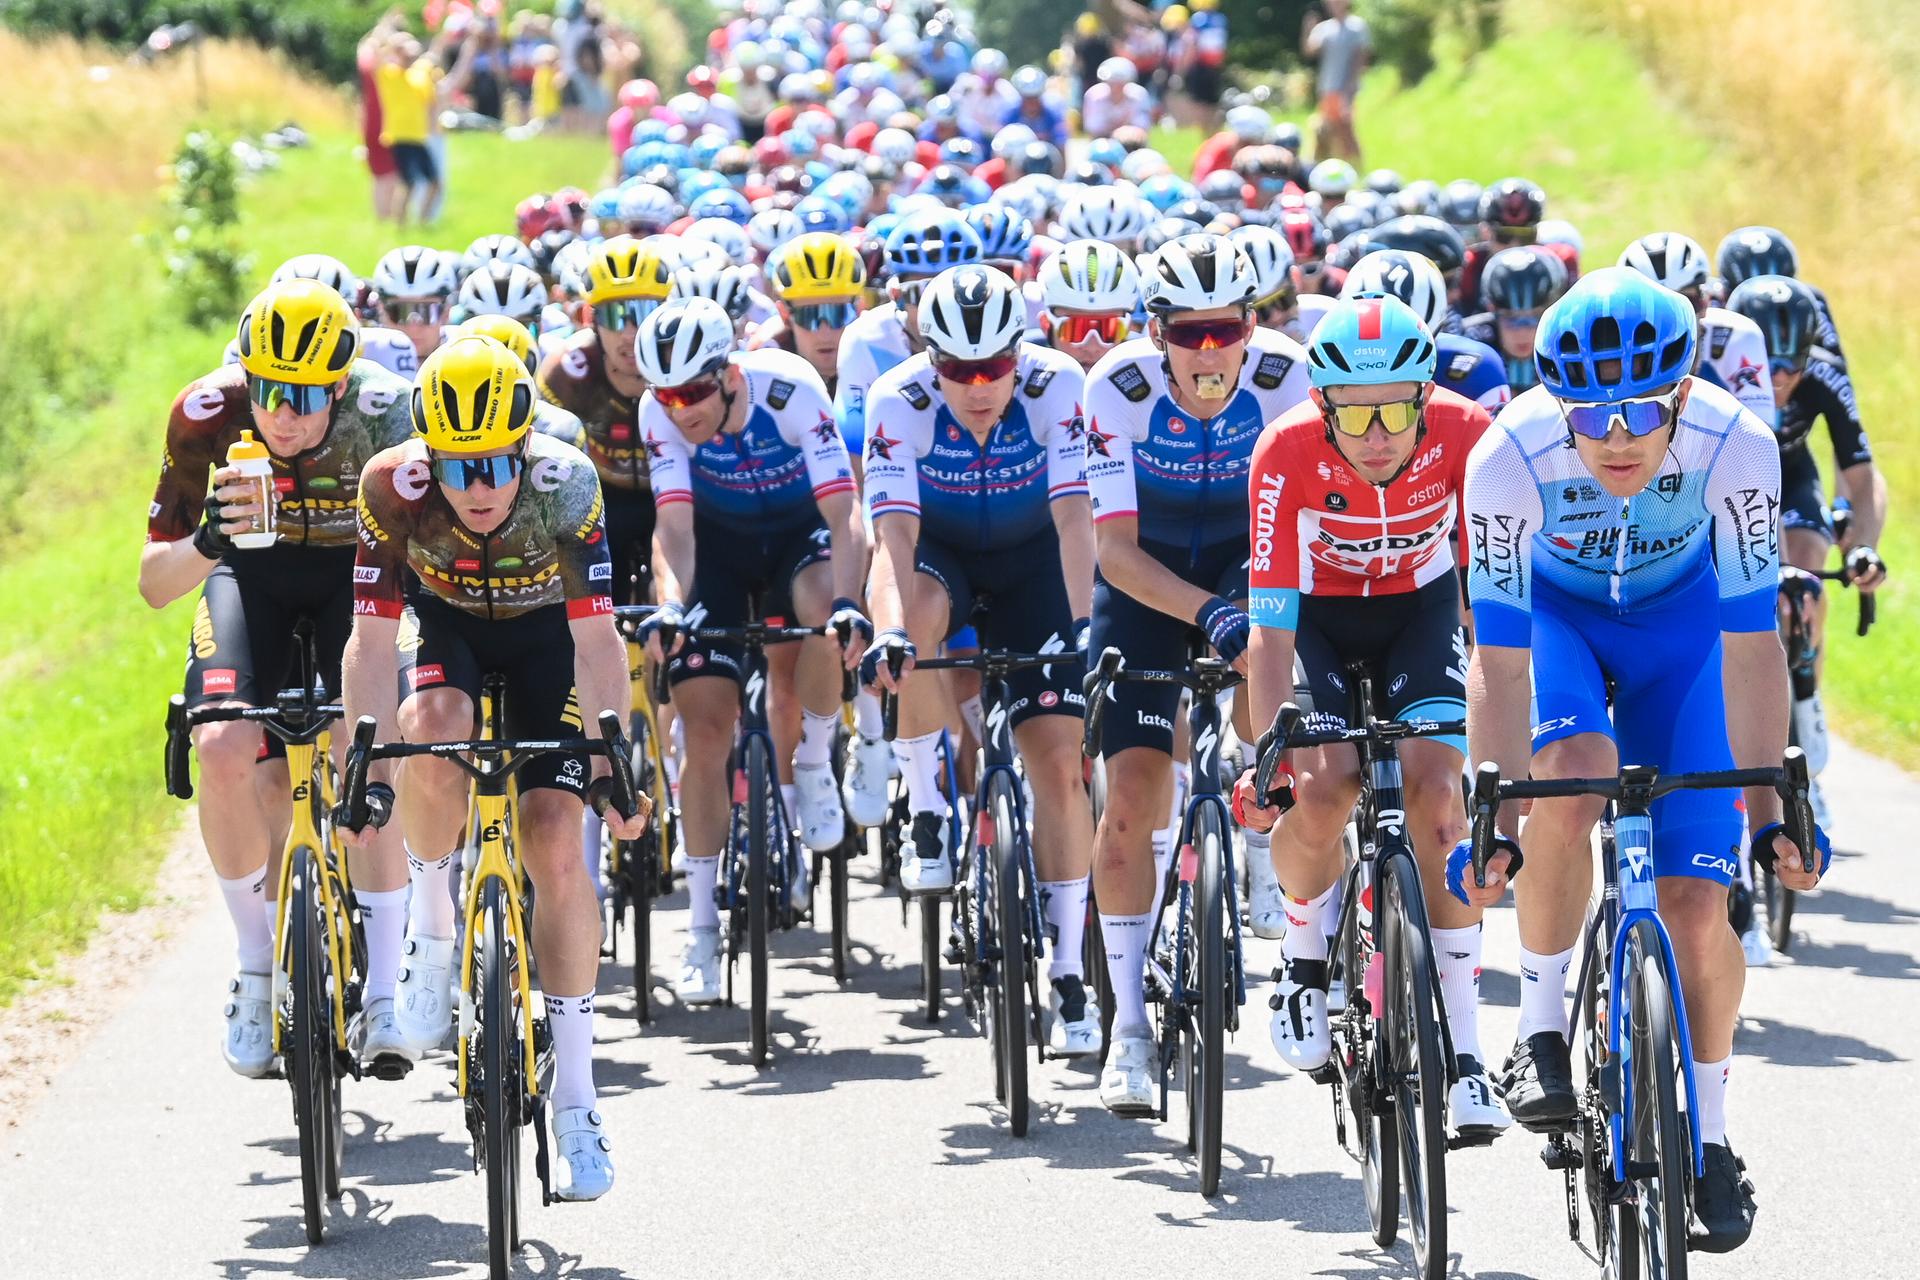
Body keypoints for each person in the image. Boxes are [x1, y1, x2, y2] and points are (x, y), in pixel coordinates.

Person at [1454, 268, 1828, 1252]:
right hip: (1559, 623)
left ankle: (1707, 1135)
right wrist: (1494, 812)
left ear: (1679, 394)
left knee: (1699, 904)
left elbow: (1753, 644)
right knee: (1568, 779)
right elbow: (1496, 655)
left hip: (1688, 634)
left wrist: (1771, 808)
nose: (1615, 437)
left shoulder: (1737, 444)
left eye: (1638, 412)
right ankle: (1538, 1033)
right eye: (1592, 414)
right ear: (1558, 402)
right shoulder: (1507, 453)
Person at [341, 335, 644, 1202]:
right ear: (426, 455)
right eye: (457, 467)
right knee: (428, 730)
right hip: (449, 632)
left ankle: (580, 1099)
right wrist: (367, 756)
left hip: (550, 641)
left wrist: (613, 753)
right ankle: (434, 936)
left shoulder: (567, 482)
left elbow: (595, 640)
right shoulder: (388, 486)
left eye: (495, 465)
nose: (479, 487)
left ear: (524, 448)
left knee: (554, 838)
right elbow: (368, 641)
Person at [1231, 294, 1508, 1141]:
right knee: (1322, 789)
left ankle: (1464, 1050)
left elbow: (1490, 601)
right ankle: (1305, 956)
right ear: (1323, 405)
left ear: (1427, 398)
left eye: (1396, 408)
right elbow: (1271, 630)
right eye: (1355, 412)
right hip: (1316, 618)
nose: (1378, 432)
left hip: (1416, 615)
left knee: (1439, 803)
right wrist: (1268, 754)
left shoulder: (1467, 436)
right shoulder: (1283, 451)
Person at [138, 281, 415, 1078]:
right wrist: (207, 539)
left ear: (339, 387)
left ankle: (386, 993)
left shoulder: (388, 416)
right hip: (246, 583)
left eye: (303, 397)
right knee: (222, 742)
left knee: (370, 750)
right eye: (267, 391)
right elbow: (156, 584)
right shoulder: (207, 415)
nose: (282, 414)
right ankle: (256, 969)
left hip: (353, 587)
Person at [1079, 234, 1311, 1113]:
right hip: (1147, 585)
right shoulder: (1119, 389)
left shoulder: (1289, 378)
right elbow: (1114, 551)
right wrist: (1206, 613)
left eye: (1227, 330)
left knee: (1273, 687)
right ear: (1156, 329)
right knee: (1132, 803)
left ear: (1252, 325)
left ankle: (1256, 841)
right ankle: (1130, 1028)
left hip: (1253, 568)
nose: (1210, 352)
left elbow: (1298, 525)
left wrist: (1250, 613)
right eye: (1190, 333)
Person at [859, 264, 1100, 1058]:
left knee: (1062, 766)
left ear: (1019, 355)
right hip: (943, 559)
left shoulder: (1059, 385)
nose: (977, 385)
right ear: (930, 361)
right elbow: (894, 542)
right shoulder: (898, 399)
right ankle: (928, 806)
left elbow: (1073, 518)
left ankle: (1069, 973)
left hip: (1035, 562)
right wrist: (890, 633)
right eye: (957, 370)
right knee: (915, 623)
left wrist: (1080, 629)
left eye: (994, 367)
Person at [632, 298, 869, 1002]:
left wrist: (853, 602)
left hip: (802, 535)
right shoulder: (660, 414)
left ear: (729, 375)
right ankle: (701, 926)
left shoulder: (792, 388)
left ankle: (816, 759)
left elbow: (842, 509)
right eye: (666, 396)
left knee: (823, 613)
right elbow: (673, 529)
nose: (681, 409)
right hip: (720, 550)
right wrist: (672, 603)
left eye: (694, 392)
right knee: (705, 733)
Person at [1724, 275, 1888, 840]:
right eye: (1768, 366)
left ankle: (1810, 722)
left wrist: (1863, 544)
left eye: (1791, 367)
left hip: (1791, 479)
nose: (1780, 381)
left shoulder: (1824, 377)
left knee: (1805, 584)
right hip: (1730, 483)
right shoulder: (1712, 371)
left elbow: (1863, 481)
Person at [1304, 0, 1370, 165]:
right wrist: (1308, 28)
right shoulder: (1324, 28)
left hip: (1346, 87)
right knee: (1328, 130)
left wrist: (1351, 85)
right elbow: (1310, 51)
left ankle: (1356, 164)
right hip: (1327, 87)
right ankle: (1335, 163)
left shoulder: (1357, 26)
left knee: (1346, 128)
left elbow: (1361, 56)